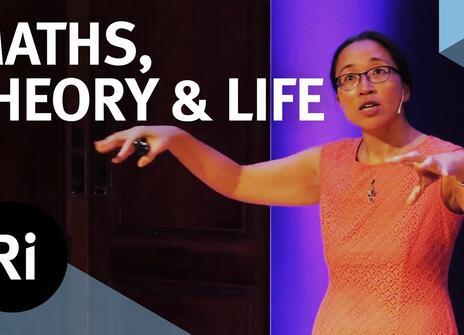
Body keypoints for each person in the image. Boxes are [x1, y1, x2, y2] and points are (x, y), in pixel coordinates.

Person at [95, 31, 464, 334]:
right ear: (339, 97)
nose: (364, 86)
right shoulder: (330, 162)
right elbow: (237, 180)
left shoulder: (444, 160)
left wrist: (457, 163)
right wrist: (177, 138)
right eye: (349, 78)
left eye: (378, 72)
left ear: (406, 88)